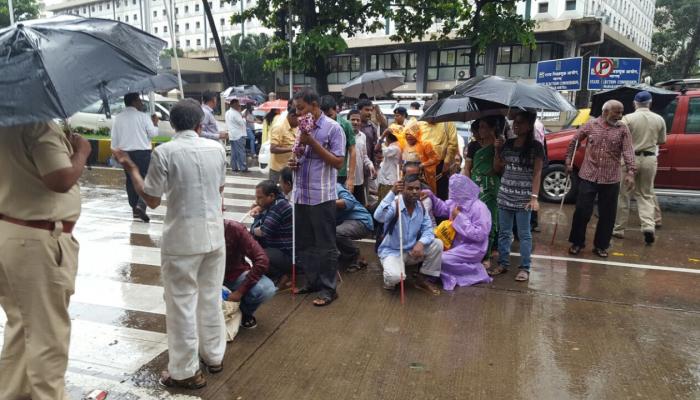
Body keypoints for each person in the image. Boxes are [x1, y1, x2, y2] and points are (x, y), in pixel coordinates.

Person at [113, 99, 227, 389]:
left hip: (182, 241)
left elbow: (151, 199)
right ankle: (214, 357)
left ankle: (185, 371)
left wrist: (131, 168)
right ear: (200, 125)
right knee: (210, 298)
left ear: (172, 125)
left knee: (181, 306)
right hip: (214, 237)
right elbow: (219, 188)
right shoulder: (216, 148)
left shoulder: (165, 152)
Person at [0, 121, 91, 400]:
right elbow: (60, 179)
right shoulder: (36, 124)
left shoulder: (7, 122)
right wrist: (81, 152)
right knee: (47, 336)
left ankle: (14, 394)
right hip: (38, 239)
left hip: (12, 231)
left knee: (22, 327)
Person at [289, 88, 346, 307]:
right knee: (305, 244)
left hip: (321, 196)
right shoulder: (302, 128)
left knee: (325, 245)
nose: (299, 113)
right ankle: (312, 282)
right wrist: (294, 162)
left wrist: (312, 142)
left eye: (302, 108)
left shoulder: (333, 128)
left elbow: (338, 163)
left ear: (315, 105)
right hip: (301, 194)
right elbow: (300, 155)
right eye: (296, 109)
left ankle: (328, 289)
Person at [566, 100, 636, 258]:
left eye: (621, 112)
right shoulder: (591, 125)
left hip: (611, 178)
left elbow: (628, 150)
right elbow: (574, 142)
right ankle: (577, 243)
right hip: (588, 175)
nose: (620, 115)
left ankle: (601, 246)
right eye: (616, 112)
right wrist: (568, 161)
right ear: (605, 112)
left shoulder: (623, 128)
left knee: (608, 215)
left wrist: (631, 171)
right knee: (582, 211)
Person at [488, 111, 544, 282]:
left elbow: (537, 172)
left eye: (520, 122)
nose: (515, 125)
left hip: (524, 198)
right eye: (514, 122)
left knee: (524, 234)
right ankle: (503, 263)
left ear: (529, 125)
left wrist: (534, 197)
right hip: (505, 194)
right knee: (504, 233)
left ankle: (525, 267)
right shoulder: (508, 144)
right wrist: (497, 149)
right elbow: (497, 168)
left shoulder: (536, 147)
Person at [374, 174, 443, 294]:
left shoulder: (421, 206)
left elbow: (428, 229)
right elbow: (378, 216)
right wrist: (392, 192)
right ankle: (390, 277)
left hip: (412, 251)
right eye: (410, 189)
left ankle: (423, 279)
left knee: (437, 244)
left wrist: (421, 243)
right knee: (394, 278)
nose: (414, 192)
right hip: (393, 252)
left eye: (417, 188)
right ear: (402, 190)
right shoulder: (395, 205)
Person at [613, 91, 667, 244]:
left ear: (634, 103)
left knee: (623, 194)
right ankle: (648, 226)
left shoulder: (627, 119)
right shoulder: (659, 119)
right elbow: (662, 141)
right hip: (650, 159)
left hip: (629, 159)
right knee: (646, 194)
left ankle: (619, 229)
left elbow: (618, 139)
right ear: (650, 103)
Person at [424, 174, 492, 290]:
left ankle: (477, 271)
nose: (453, 192)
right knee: (432, 254)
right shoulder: (456, 202)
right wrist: (432, 197)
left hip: (473, 248)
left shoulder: (480, 208)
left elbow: (480, 234)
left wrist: (459, 218)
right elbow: (443, 208)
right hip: (454, 244)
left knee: (440, 259)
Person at [110, 92, 159, 223]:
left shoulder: (118, 118)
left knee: (131, 180)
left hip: (125, 153)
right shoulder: (143, 117)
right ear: (134, 102)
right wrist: (155, 123)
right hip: (142, 153)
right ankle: (140, 205)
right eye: (140, 101)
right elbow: (153, 134)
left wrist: (115, 153)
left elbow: (114, 140)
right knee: (145, 180)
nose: (142, 104)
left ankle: (134, 208)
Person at [223, 219, 276, 329]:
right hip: (204, 280)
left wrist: (240, 292)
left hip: (232, 275)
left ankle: (243, 312)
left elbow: (262, 260)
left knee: (266, 289)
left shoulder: (234, 228)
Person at [463, 116, 501, 269]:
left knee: (490, 219)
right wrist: (466, 186)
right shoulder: (473, 146)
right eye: (479, 127)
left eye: (484, 127)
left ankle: (487, 254)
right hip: (475, 185)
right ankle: (474, 252)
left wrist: (498, 149)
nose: (480, 130)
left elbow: (498, 169)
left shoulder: (499, 144)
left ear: (492, 128)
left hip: (491, 185)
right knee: (474, 219)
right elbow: (467, 168)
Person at [250, 180, 293, 289]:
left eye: (260, 198)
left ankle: (282, 275)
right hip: (278, 249)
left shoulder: (279, 206)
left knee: (255, 252)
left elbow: (264, 231)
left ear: (272, 196)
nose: (257, 201)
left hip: (287, 254)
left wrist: (250, 231)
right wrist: (260, 208)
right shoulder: (276, 203)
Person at [335, 183, 374, 272]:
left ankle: (355, 257)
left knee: (336, 233)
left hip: (361, 220)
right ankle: (352, 256)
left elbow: (349, 202)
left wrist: (327, 202)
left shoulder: (335, 186)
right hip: (345, 221)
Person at [320, 95, 356, 190]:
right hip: (322, 172)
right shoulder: (319, 124)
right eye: (324, 116)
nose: (327, 119)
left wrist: (351, 178)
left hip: (340, 173)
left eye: (329, 115)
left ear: (336, 110)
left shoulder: (345, 125)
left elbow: (352, 151)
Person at [418, 116, 458, 200]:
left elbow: (453, 144)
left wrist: (447, 162)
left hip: (440, 167)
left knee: (440, 196)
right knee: (421, 196)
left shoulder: (447, 123)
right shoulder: (420, 124)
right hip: (421, 166)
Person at [403, 121, 439, 193]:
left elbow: (435, 158)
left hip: (422, 178)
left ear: (417, 134)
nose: (408, 136)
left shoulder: (425, 144)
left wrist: (422, 165)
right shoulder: (405, 145)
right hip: (407, 177)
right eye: (407, 134)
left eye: (411, 134)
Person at [348, 109, 376, 205]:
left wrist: (370, 165)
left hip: (359, 180)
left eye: (357, 120)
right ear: (347, 121)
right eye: (352, 120)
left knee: (359, 206)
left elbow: (364, 156)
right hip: (345, 180)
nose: (355, 122)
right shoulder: (342, 135)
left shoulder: (362, 136)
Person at [268, 105, 299, 183]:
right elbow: (273, 149)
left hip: (290, 168)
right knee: (277, 193)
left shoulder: (295, 127)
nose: (300, 122)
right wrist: (292, 148)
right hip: (278, 170)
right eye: (299, 120)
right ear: (292, 116)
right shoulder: (279, 127)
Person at [376, 130, 401, 202]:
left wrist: (383, 136)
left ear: (388, 138)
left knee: (386, 203)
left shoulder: (395, 148)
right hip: (385, 180)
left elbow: (383, 151)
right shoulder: (394, 146)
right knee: (381, 201)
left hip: (389, 181)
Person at [226, 98, 248, 172]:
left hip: (232, 135)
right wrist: (243, 117)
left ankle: (234, 167)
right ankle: (243, 167)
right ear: (234, 104)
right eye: (238, 104)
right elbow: (242, 123)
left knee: (234, 152)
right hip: (239, 134)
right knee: (241, 152)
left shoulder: (227, 112)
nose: (239, 105)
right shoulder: (235, 113)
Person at [358, 99, 378, 164]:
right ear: (359, 110)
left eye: (371, 110)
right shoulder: (351, 126)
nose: (369, 113)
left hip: (368, 165)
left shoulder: (373, 127)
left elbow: (375, 148)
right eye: (367, 110)